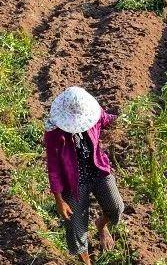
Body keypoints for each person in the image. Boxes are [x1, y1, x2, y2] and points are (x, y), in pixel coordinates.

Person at [44, 87, 124, 263]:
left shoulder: (93, 114)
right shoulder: (54, 132)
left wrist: (127, 121)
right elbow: (54, 168)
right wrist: (59, 200)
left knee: (116, 208)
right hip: (73, 180)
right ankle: (86, 262)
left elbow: (107, 119)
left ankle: (101, 226)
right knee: (75, 228)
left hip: (97, 169)